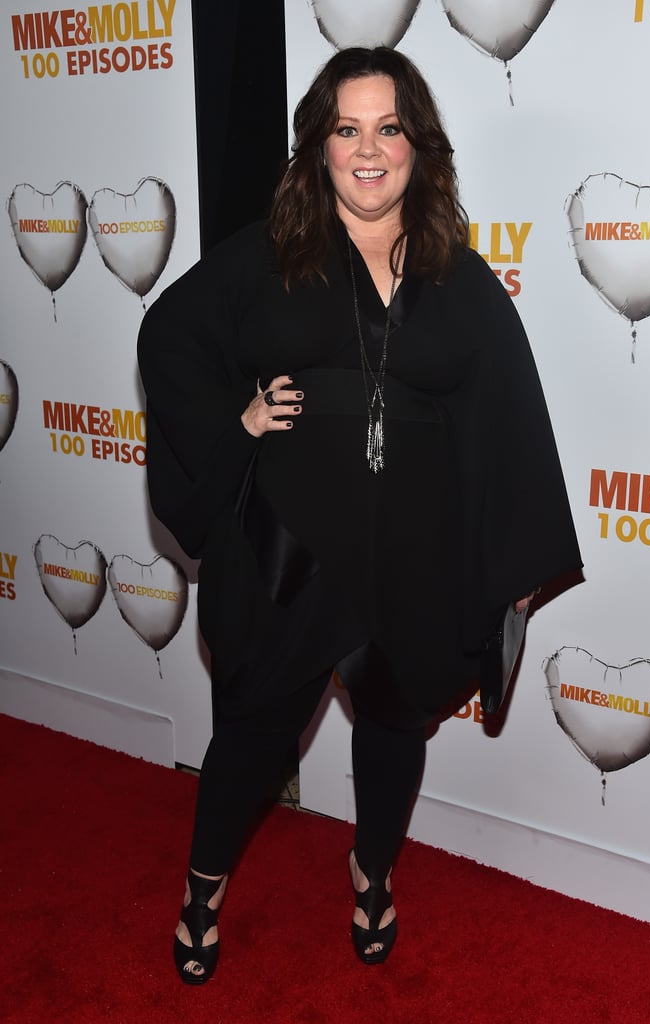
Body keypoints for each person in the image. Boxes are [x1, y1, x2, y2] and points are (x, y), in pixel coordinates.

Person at [137, 45, 581, 984]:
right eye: (348, 129)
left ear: (419, 148)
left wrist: (496, 555)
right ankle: (202, 886)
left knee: (390, 731)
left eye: (388, 129)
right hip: (292, 551)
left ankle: (370, 871)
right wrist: (236, 421)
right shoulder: (269, 256)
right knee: (255, 738)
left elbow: (506, 412)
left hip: (409, 556)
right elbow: (169, 333)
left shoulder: (459, 276)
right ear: (319, 147)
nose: (368, 151)